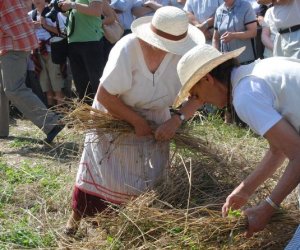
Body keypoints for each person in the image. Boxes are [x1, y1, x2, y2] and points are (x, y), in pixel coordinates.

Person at [64, 6, 205, 235]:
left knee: (147, 180)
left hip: (157, 118)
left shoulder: (185, 55)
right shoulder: (128, 48)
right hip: (114, 114)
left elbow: (200, 96)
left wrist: (176, 119)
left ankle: (128, 229)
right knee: (105, 176)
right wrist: (136, 122)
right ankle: (75, 221)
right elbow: (105, 95)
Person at [155, 43, 300, 247]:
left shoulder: (245, 96)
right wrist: (244, 190)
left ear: (207, 79)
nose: (202, 102)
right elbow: (278, 150)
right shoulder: (255, 73)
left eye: (196, 95)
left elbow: (297, 154)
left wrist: (267, 208)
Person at [0, 0, 64, 143]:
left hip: (13, 43)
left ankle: (52, 123)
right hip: (13, 42)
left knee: (14, 89)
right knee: (3, 89)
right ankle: (1, 130)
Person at [59, 0, 105, 102]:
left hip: (91, 41)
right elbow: (74, 13)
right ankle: (87, 112)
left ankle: (103, 111)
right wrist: (63, 7)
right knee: (80, 82)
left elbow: (96, 10)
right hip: (73, 43)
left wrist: (72, 5)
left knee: (96, 80)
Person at [29, 0, 66, 108]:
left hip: (53, 52)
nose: (36, 0)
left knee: (57, 85)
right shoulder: (30, 15)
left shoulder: (54, 13)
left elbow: (62, 32)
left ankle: (61, 113)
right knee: (46, 86)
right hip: (37, 52)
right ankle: (52, 113)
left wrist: (44, 25)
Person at [213, 0, 257, 65]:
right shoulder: (219, 10)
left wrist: (233, 35)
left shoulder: (245, 6)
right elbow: (215, 38)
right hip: (226, 64)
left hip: (245, 62)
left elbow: (253, 32)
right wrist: (215, 56)